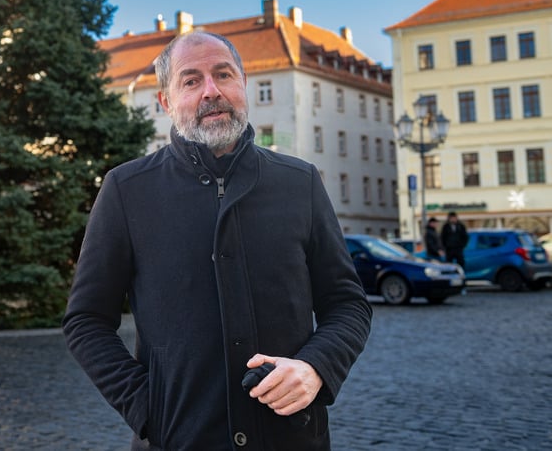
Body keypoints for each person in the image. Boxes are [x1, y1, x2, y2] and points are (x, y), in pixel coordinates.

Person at [63, 31, 372, 450]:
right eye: (191, 81)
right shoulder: (127, 189)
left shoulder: (300, 183)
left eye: (223, 75)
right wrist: (148, 408)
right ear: (166, 103)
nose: (211, 91)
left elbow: (348, 304)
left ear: (242, 85)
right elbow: (86, 320)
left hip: (291, 438)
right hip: (179, 440)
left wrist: (316, 367)